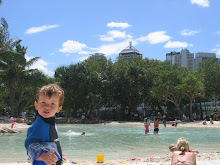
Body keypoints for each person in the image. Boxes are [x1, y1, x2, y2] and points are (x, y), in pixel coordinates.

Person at [25, 84, 64, 165]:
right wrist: (42, 156)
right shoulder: (37, 126)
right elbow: (30, 146)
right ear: (36, 105)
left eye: (52, 104)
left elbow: (51, 141)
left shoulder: (50, 121)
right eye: (43, 102)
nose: (47, 107)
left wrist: (58, 154)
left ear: (59, 108)